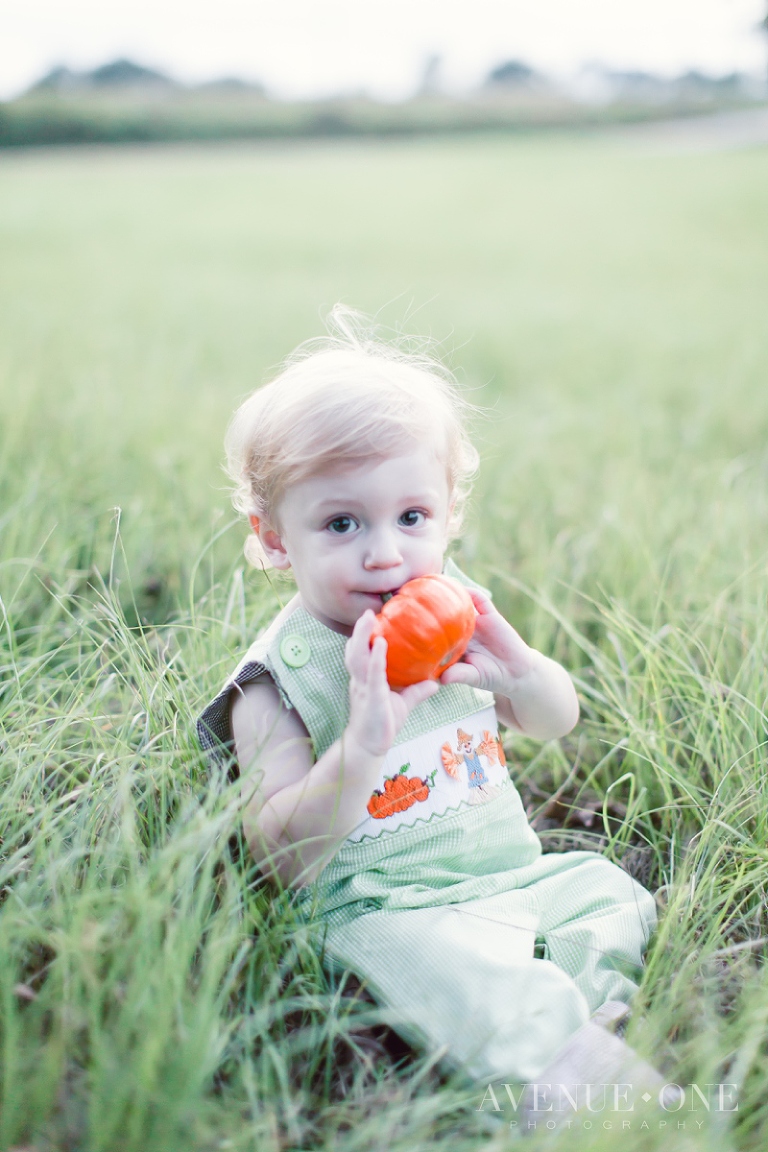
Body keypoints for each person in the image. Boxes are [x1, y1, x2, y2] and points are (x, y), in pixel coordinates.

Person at [198, 309, 661, 1105]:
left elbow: (555, 720)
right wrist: (365, 741)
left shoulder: (455, 615)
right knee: (443, 969)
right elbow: (279, 856)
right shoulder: (277, 682)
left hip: (506, 878)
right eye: (342, 523)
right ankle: (563, 1075)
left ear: (448, 512)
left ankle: (579, 1009)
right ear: (274, 539)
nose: (384, 552)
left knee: (608, 893)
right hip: (385, 909)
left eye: (411, 518)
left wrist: (520, 675)